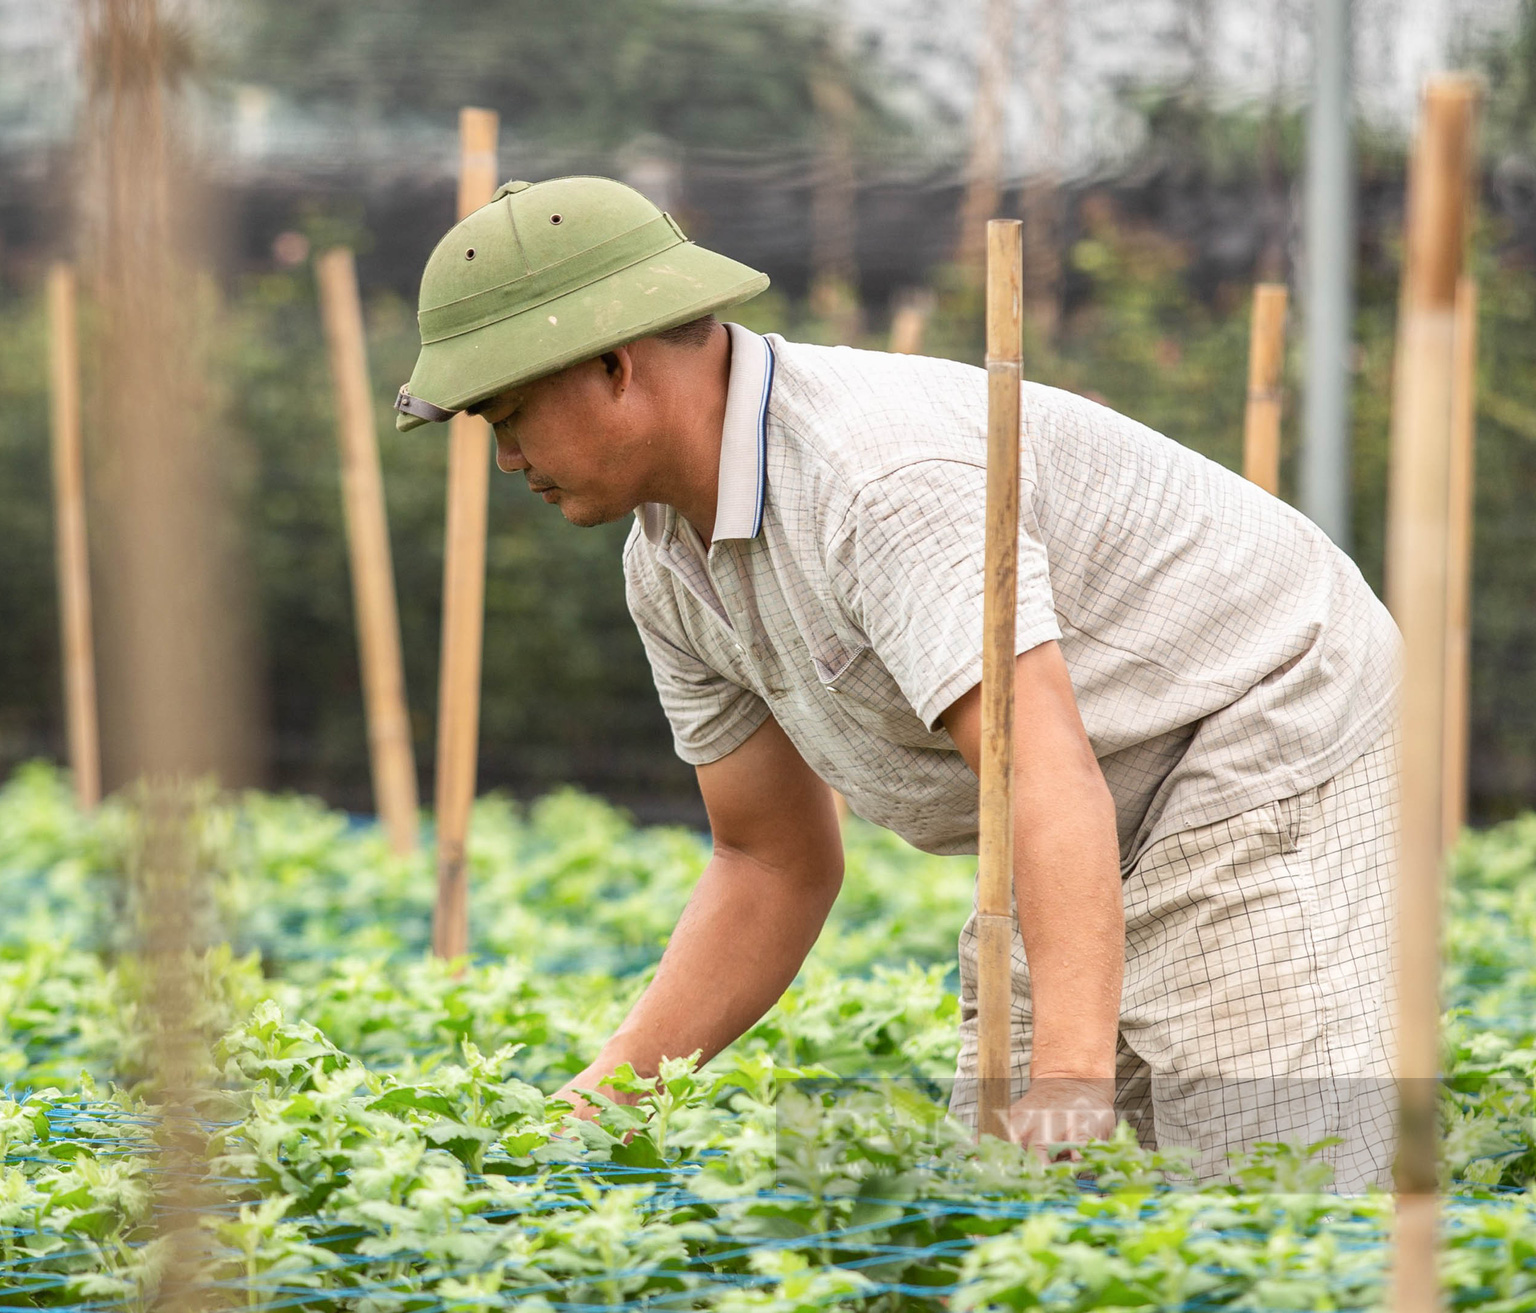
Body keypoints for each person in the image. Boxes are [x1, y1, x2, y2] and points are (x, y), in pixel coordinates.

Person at [393, 176, 1400, 1187]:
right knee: (1024, 1206)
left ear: (615, 364)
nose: (507, 457)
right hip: (1079, 794)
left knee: (1266, 1177)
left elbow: (1041, 772)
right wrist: (604, 1095)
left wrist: (1068, 1074)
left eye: (509, 415)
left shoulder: (876, 485)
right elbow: (767, 859)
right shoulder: (665, 563)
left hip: (1257, 709)